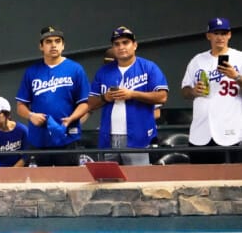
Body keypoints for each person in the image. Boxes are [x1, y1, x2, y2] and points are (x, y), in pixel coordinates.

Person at [87, 26, 168, 166]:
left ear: (135, 45)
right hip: (108, 137)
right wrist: (105, 97)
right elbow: (90, 103)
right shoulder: (104, 71)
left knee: (138, 181)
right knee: (108, 182)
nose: (121, 47)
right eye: (117, 44)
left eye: (125, 43)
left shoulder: (149, 67)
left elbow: (162, 97)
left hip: (137, 136)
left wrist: (132, 94)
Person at [16, 26, 90, 166]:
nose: (53, 45)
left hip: (67, 135)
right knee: (44, 182)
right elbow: (20, 107)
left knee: (69, 182)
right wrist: (31, 115)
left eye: (57, 41)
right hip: (40, 137)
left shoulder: (75, 69)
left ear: (63, 45)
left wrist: (71, 119)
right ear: (41, 46)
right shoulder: (31, 72)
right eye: (48, 41)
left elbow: (85, 103)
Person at [181, 17, 242, 164]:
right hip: (200, 131)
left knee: (231, 182)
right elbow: (184, 90)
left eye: (223, 33)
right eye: (216, 33)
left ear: (229, 35)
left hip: (230, 131)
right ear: (209, 36)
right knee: (197, 182)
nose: (220, 37)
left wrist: (236, 77)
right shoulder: (197, 60)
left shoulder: (239, 58)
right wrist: (194, 91)